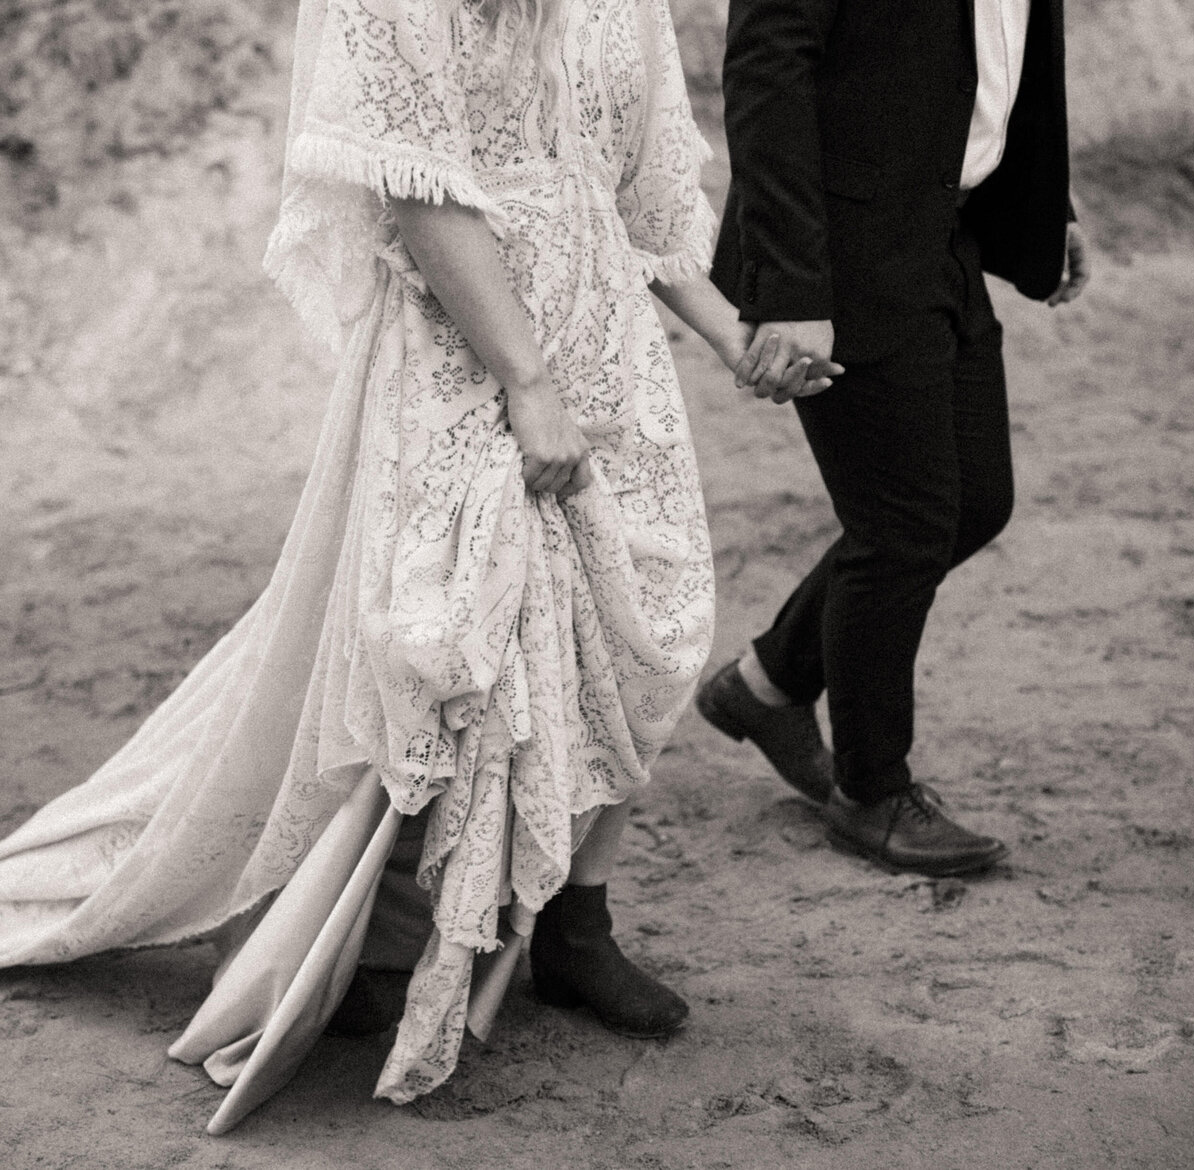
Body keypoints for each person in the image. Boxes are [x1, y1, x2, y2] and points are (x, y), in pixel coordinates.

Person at [0, 0, 801, 1134]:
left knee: (644, 634)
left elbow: (648, 195)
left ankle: (575, 929)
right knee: (453, 638)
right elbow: (416, 183)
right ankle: (392, 941)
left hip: (606, 340)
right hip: (466, 338)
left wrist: (734, 340)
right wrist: (526, 382)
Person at [698, 0, 1091, 876]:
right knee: (904, 524)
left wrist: (1042, 206)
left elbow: (992, 53)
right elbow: (766, 63)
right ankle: (870, 790)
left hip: (938, 228)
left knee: (975, 502)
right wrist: (795, 286)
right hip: (840, 251)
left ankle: (765, 685)